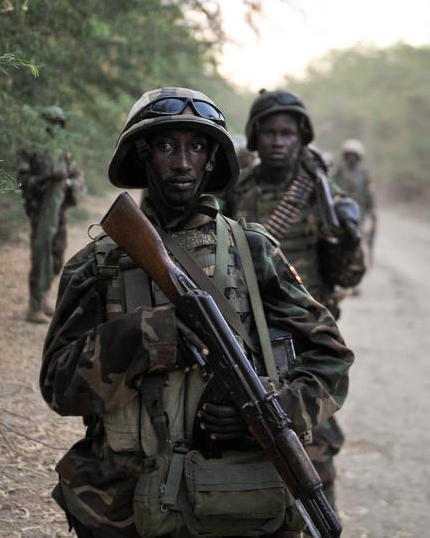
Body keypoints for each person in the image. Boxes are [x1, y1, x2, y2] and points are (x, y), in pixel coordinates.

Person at [40, 88, 353, 538]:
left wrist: (269, 415)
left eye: (197, 146)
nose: (183, 162)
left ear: (212, 160)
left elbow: (331, 357)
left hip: (239, 503)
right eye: (166, 146)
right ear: (142, 157)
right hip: (122, 507)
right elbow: (58, 387)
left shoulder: (254, 251)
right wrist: (147, 337)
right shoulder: (97, 264)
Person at [223, 89, 365, 513]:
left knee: (314, 440)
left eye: (288, 133)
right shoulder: (239, 189)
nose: (279, 141)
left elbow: (349, 275)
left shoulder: (322, 194)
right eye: (270, 132)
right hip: (245, 331)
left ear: (302, 138)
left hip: (304, 335)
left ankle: (320, 517)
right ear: (255, 136)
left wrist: (343, 236)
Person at [17, 106, 83, 324]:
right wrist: (47, 177)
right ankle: (33, 305)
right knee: (40, 253)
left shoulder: (63, 151)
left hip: (59, 211)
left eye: (58, 122)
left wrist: (68, 182)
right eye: (50, 122)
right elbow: (23, 180)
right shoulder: (32, 149)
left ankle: (45, 294)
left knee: (57, 257)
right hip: (39, 211)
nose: (54, 126)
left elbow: (78, 180)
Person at [331, 139, 377, 271]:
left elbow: (369, 193)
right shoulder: (338, 171)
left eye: (354, 155)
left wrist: (373, 211)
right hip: (339, 213)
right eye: (349, 155)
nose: (351, 158)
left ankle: (354, 274)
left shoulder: (363, 173)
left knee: (356, 244)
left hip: (359, 215)